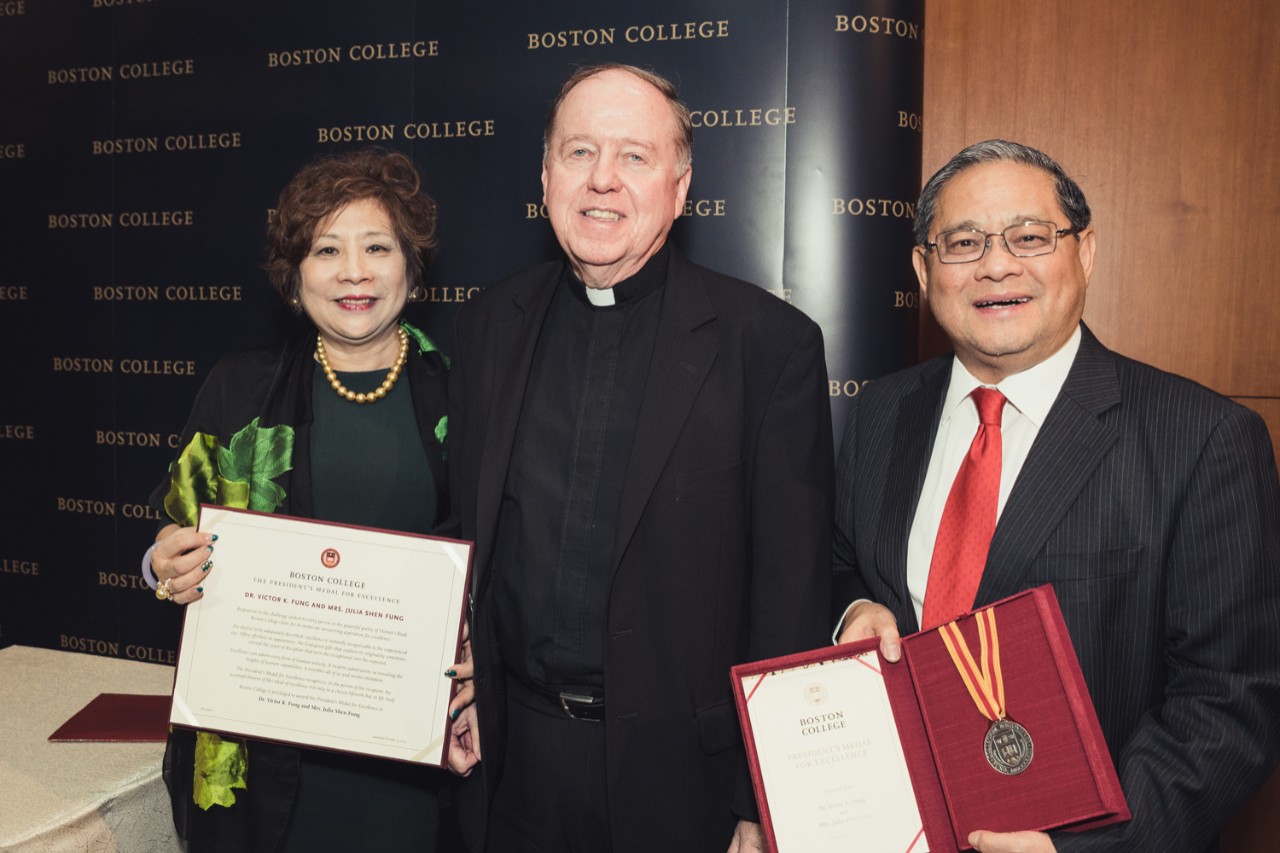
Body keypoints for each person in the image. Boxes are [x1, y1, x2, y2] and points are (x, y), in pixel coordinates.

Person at [833, 139, 1280, 852]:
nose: (997, 264)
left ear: (1086, 252)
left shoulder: (1202, 439)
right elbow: (842, 561)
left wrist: (1085, 844)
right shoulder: (882, 412)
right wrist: (856, 607)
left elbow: (1232, 700)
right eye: (963, 241)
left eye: (1030, 237)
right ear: (924, 269)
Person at [444, 64, 833, 853]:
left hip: (684, 789)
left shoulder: (769, 345)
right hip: (509, 766)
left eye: (634, 157)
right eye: (579, 151)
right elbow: (466, 532)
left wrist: (760, 802)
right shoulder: (489, 325)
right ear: (545, 173)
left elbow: (791, 599)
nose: (602, 181)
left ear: (681, 186)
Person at [142, 149, 454, 852]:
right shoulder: (238, 388)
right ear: (294, 278)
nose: (354, 272)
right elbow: (168, 533)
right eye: (326, 249)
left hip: (408, 762)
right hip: (257, 756)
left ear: (412, 266)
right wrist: (161, 563)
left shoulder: (466, 395)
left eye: (378, 246)